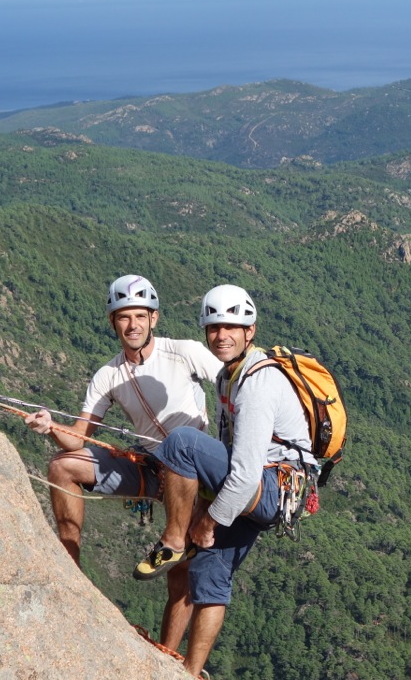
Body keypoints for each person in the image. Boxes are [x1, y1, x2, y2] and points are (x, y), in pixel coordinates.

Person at [23, 274, 222, 652]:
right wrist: (50, 427)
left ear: (154, 318)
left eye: (140, 316)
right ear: (113, 322)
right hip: (150, 466)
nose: (133, 325)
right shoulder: (108, 375)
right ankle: (69, 567)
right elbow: (78, 437)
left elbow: (230, 387)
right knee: (62, 466)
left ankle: (166, 655)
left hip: (192, 473)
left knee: (181, 570)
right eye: (124, 317)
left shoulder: (184, 352)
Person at [131, 283, 313, 679]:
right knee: (209, 575)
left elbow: (244, 475)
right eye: (214, 327)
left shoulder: (257, 383)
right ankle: (190, 672)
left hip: (267, 486)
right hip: (272, 494)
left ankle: (173, 542)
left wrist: (207, 521)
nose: (221, 335)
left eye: (231, 327)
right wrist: (204, 507)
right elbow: (231, 455)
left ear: (250, 331)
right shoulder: (228, 377)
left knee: (181, 443)